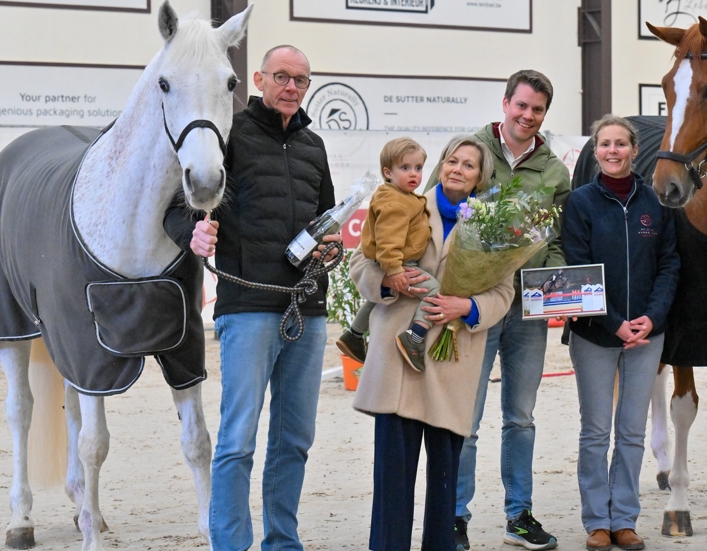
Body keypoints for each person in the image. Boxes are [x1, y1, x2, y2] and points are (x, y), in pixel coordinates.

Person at [163, 45, 340, 551]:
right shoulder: (228, 137)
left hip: (307, 309)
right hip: (247, 309)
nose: (291, 87)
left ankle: (283, 542)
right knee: (238, 441)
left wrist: (331, 244)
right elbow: (177, 212)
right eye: (281, 77)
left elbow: (324, 217)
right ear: (258, 79)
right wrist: (193, 235)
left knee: (294, 442)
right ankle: (231, 544)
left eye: (301, 80)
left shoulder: (315, 146)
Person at [424, 69, 570, 551]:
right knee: (465, 417)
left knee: (521, 417)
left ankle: (519, 515)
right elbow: (431, 209)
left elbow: (558, 237)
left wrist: (554, 283)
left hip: (527, 310)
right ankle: (454, 516)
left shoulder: (554, 170)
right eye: (521, 105)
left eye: (538, 110)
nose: (528, 116)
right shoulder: (470, 151)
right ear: (505, 103)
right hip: (471, 306)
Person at [349, 135, 514, 551]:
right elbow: (359, 262)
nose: (458, 169)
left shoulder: (493, 226)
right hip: (398, 365)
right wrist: (387, 280)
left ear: (481, 177)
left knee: (445, 489)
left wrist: (467, 305)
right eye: (452, 161)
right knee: (392, 483)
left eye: (469, 165)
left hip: (451, 363)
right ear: (440, 165)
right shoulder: (404, 200)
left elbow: (504, 294)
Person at [561, 115, 679, 551]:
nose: (613, 151)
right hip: (595, 335)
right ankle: (597, 521)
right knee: (595, 432)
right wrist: (614, 322)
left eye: (620, 144)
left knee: (631, 431)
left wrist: (652, 316)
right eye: (605, 144)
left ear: (633, 150)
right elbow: (576, 269)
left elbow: (670, 264)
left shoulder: (655, 203)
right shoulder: (580, 203)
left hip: (649, 336)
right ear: (596, 153)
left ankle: (624, 519)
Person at [336, 138, 441, 371]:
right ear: (388, 172)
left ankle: (353, 334)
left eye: (418, 168)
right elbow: (388, 239)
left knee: (377, 298)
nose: (413, 174)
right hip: (401, 263)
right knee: (433, 292)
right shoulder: (395, 202)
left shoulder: (401, 196)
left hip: (397, 261)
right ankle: (414, 338)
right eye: (405, 168)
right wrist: (394, 270)